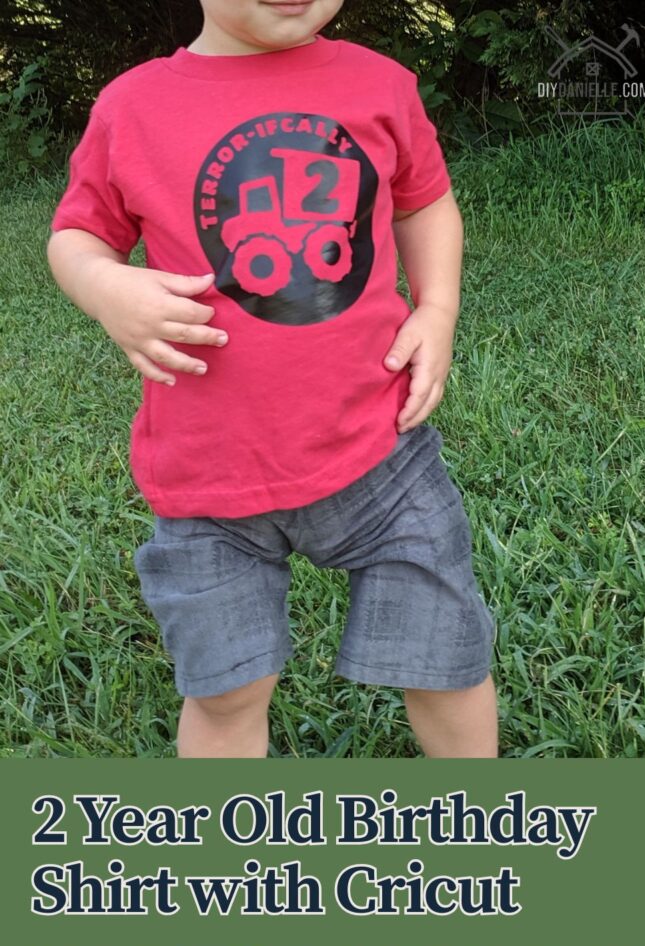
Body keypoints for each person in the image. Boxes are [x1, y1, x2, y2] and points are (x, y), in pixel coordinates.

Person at [47, 0, 498, 761]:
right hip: (208, 475)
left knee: (446, 654)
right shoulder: (133, 106)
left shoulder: (379, 84)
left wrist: (438, 309)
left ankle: (481, 817)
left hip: (380, 450)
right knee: (225, 692)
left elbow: (424, 202)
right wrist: (103, 286)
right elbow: (78, 234)